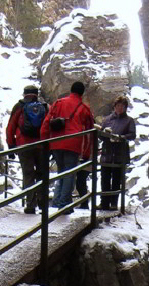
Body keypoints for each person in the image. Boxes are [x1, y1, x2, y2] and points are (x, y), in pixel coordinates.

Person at [40, 81, 94, 211]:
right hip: (73, 144)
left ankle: (57, 201)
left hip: (56, 142)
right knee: (69, 173)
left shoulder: (58, 103)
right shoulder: (84, 109)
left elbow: (46, 123)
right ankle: (64, 204)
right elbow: (90, 133)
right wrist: (86, 153)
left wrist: (45, 142)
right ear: (82, 93)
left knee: (61, 172)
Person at [6, 86, 48, 215]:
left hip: (24, 145)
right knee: (42, 174)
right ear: (36, 94)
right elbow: (49, 126)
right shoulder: (45, 106)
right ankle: (43, 203)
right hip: (41, 145)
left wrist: (11, 146)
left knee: (28, 174)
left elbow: (10, 127)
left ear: (24, 94)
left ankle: (30, 205)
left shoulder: (19, 106)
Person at [99, 95, 136, 209]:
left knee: (116, 180)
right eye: (118, 106)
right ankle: (104, 203)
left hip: (119, 154)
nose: (120, 108)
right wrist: (104, 134)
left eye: (122, 106)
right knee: (104, 179)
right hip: (107, 153)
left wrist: (120, 137)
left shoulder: (129, 120)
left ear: (125, 108)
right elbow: (101, 135)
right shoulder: (107, 119)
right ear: (114, 107)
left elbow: (132, 135)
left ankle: (114, 203)